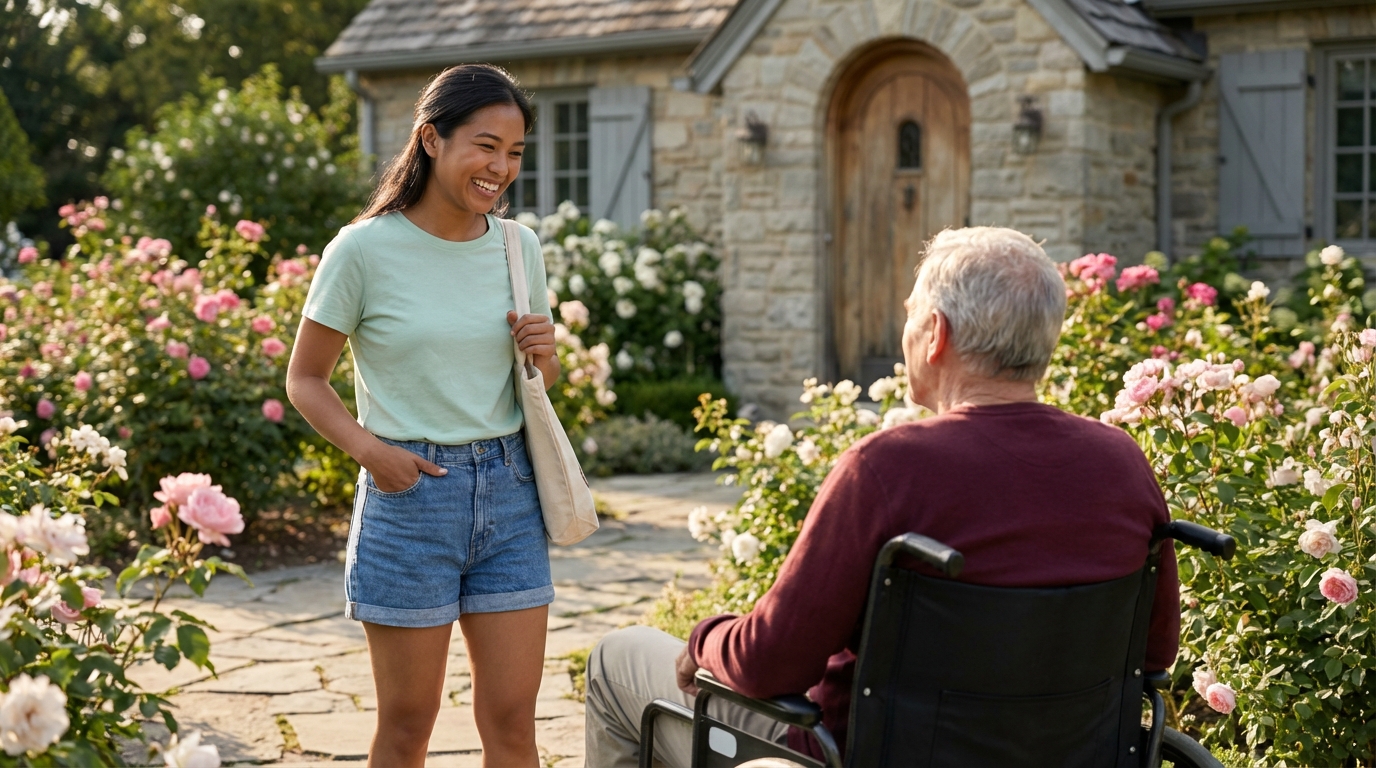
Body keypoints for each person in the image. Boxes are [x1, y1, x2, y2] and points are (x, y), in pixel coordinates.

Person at [583, 226, 1181, 766]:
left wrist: (704, 638)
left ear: (936, 335)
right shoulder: (1121, 461)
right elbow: (1154, 655)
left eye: (911, 314)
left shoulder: (887, 467)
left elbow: (770, 664)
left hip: (849, 755)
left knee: (617, 660)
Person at [286, 64, 558, 768]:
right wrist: (373, 453)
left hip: (510, 491)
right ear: (432, 141)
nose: (501, 167)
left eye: (515, 153)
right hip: (409, 499)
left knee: (512, 720)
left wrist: (543, 353)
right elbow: (306, 379)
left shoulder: (517, 247)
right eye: (486, 145)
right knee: (408, 725)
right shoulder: (363, 250)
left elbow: (538, 384)